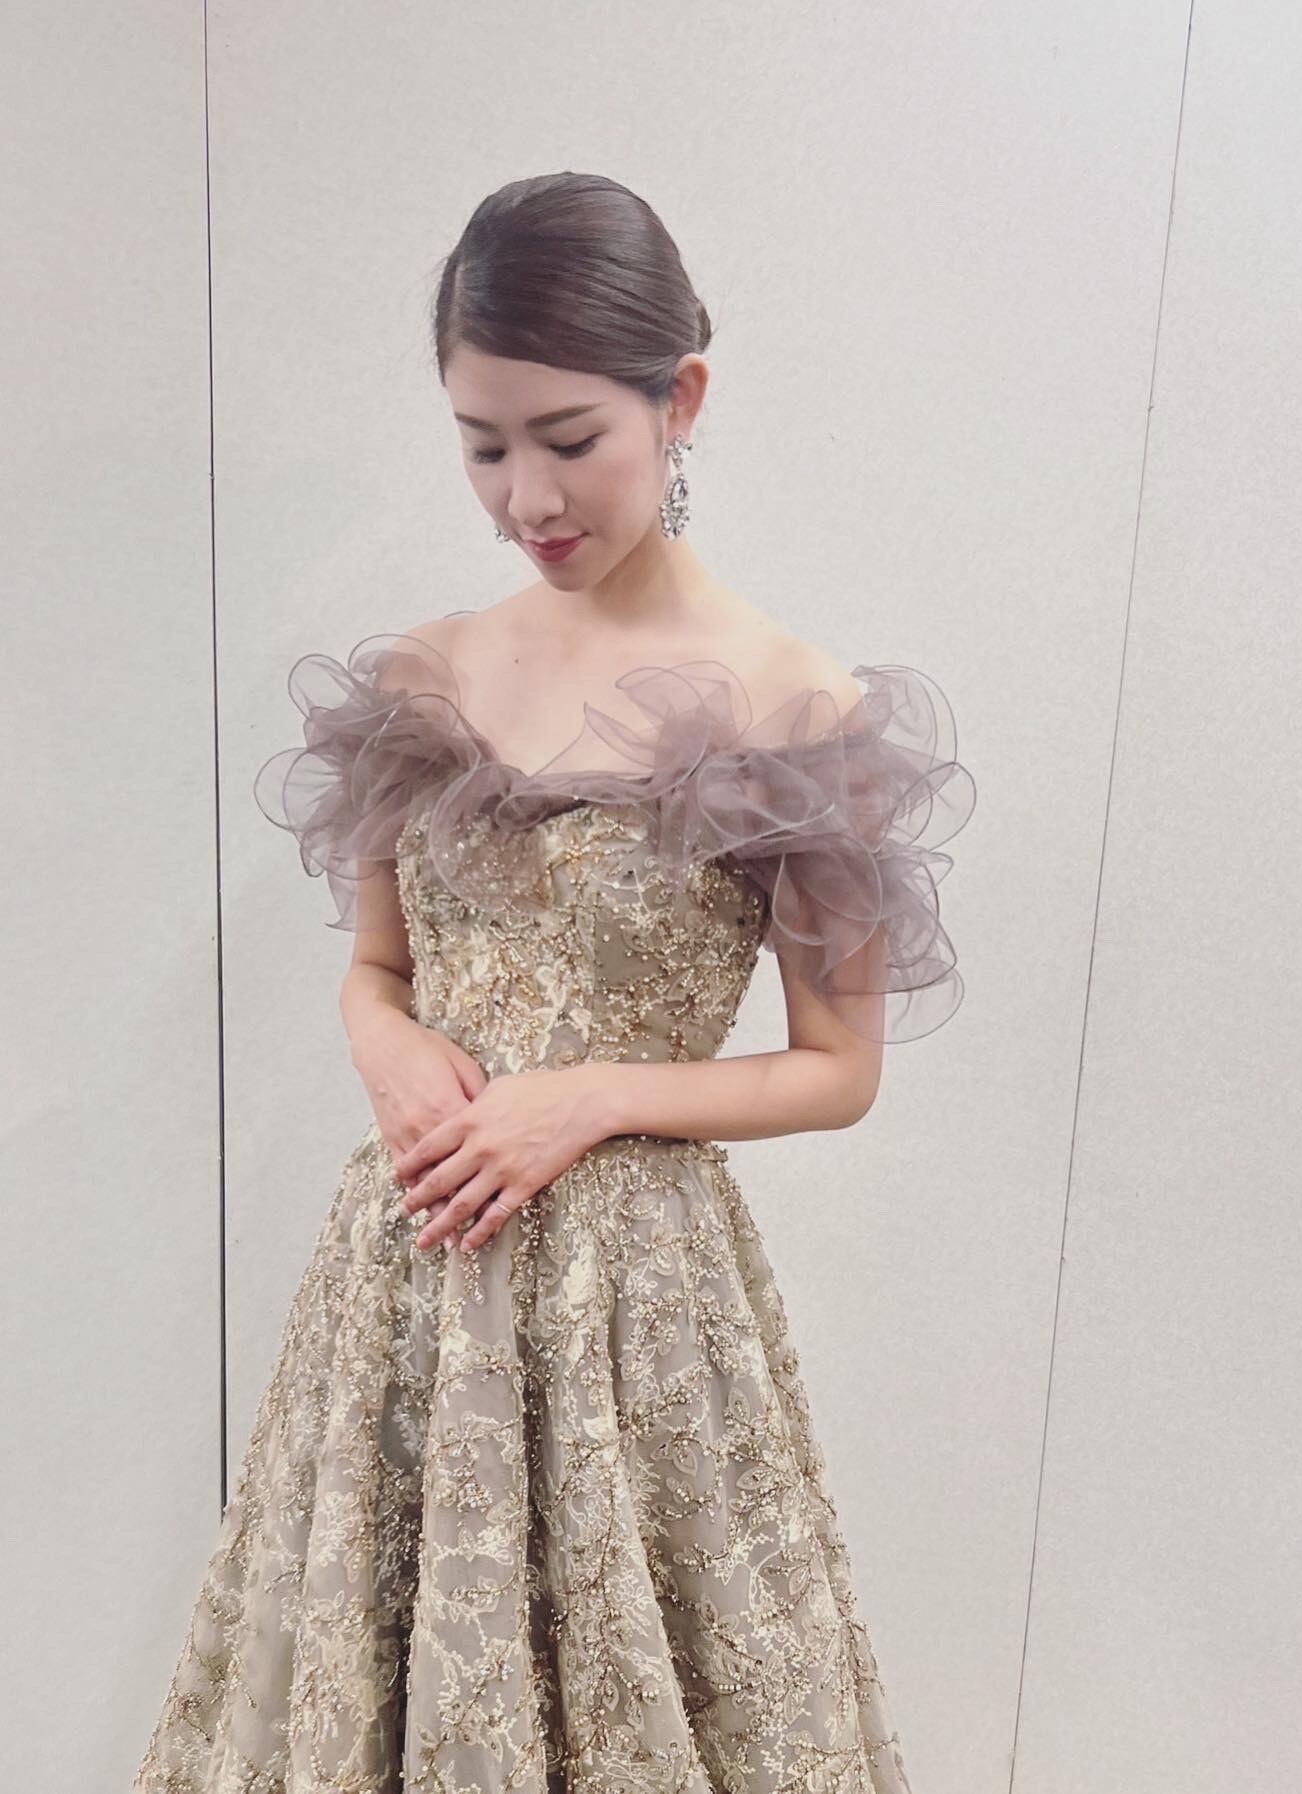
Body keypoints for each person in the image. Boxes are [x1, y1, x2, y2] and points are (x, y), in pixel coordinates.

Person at [132, 170, 976, 1794]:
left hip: (633, 1314)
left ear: (682, 401)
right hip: (412, 1270)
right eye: (482, 445)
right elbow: (378, 969)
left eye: (569, 438)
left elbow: (837, 1066)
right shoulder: (426, 673)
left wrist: (585, 1098)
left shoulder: (795, 708)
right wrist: (383, 1045)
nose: (528, 496)